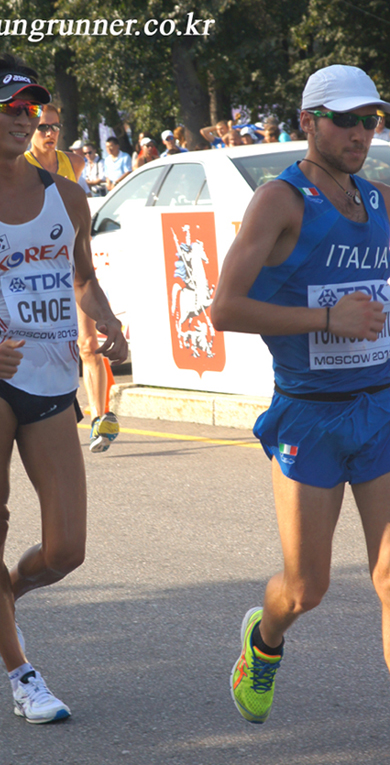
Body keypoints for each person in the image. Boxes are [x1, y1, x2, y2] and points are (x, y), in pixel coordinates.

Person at [0, 53, 127, 724]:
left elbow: (83, 276)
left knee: (67, 548)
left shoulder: (67, 196)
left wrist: (110, 321)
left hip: (52, 382)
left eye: (30, 108)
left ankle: (1, 596)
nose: (25, 118)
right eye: (11, 108)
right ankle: (22, 673)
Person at [211, 64, 390, 725]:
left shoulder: (378, 200)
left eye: (370, 119)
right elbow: (224, 308)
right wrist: (326, 318)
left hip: (380, 408)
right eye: (345, 119)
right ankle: (264, 641)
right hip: (309, 417)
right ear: (308, 122)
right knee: (307, 587)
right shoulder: (279, 202)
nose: (360, 133)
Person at [26, 107, 120, 452]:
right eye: (42, 127)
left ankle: (100, 418)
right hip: (38, 269)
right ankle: (49, 418)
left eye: (55, 126)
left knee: (89, 342)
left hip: (75, 263)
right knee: (46, 349)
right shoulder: (19, 166)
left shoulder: (74, 163)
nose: (50, 133)